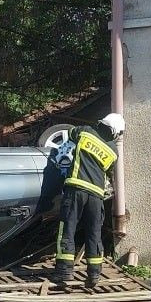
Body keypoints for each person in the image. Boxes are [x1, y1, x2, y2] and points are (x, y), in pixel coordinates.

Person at [53, 113, 124, 286]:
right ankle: (93, 275)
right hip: (96, 197)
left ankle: (64, 273)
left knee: (68, 229)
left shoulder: (85, 132)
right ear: (116, 132)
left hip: (76, 189)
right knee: (94, 234)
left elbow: (70, 134)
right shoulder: (113, 152)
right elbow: (109, 173)